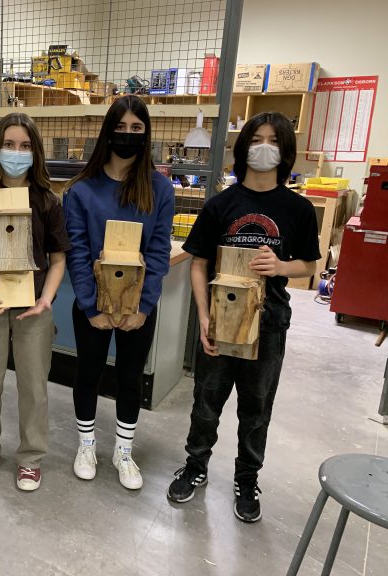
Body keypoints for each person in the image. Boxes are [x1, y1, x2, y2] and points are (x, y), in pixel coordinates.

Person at [166, 112, 320, 522]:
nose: (264, 147)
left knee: (256, 409)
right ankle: (195, 467)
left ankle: (247, 480)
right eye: (257, 139)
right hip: (222, 318)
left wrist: (281, 267)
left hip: (268, 324)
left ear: (285, 152)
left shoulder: (299, 209)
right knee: (206, 403)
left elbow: (309, 265)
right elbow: (198, 263)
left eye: (273, 140)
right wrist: (202, 315)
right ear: (244, 147)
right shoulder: (221, 204)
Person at [63, 95, 174, 490]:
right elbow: (76, 251)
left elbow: (159, 250)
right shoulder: (81, 191)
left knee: (129, 377)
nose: (127, 136)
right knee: (88, 373)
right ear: (108, 131)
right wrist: (91, 305)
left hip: (138, 308)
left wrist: (143, 306)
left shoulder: (159, 189)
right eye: (121, 128)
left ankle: (124, 452)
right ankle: (87, 445)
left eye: (137, 129)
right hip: (92, 306)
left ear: (146, 136)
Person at [0, 112, 71, 491]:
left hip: (33, 309)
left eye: (25, 146)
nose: (16, 153)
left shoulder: (48, 203)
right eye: (9, 145)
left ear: (35, 153)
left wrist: (46, 300)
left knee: (34, 386)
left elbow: (58, 260)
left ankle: (31, 458)